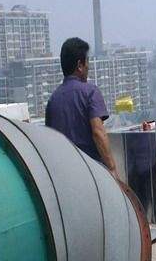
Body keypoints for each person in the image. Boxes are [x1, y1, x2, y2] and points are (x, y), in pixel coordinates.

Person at [45, 37, 118, 176]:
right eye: (87, 61)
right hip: (92, 173)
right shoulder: (90, 92)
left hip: (64, 175)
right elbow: (98, 132)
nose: (88, 67)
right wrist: (112, 169)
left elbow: (50, 140)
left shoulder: (53, 100)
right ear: (80, 65)